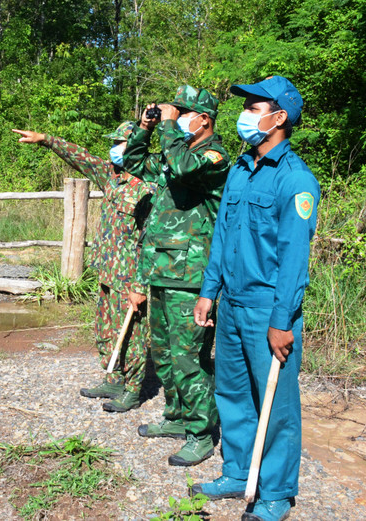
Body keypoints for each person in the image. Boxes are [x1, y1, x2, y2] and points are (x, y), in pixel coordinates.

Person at [191, 75, 319, 521]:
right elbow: (222, 238)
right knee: (232, 391)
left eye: (253, 106)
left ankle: (276, 494)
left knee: (277, 406)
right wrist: (210, 292)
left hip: (269, 309)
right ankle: (238, 471)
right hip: (232, 305)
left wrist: (282, 321)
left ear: (278, 117)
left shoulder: (296, 180)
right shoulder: (240, 171)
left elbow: (293, 261)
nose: (245, 114)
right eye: (245, 106)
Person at [12, 123, 155, 412]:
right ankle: (113, 377)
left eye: (119, 142)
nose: (113, 148)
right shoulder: (110, 176)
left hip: (128, 277)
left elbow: (148, 241)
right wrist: (45, 139)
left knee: (134, 334)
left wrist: (140, 286)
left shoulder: (146, 188)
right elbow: (80, 157)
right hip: (106, 270)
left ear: (135, 146)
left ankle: (132, 388)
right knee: (105, 327)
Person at [121, 85, 230, 466]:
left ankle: (200, 433)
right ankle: (177, 417)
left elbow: (183, 167)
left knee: (189, 358)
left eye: (184, 113)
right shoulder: (174, 151)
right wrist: (145, 128)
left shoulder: (213, 157)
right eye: (175, 112)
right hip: (162, 271)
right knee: (163, 353)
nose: (177, 117)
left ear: (204, 120)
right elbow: (133, 164)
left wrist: (168, 127)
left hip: (191, 276)